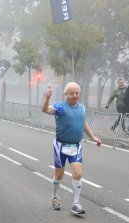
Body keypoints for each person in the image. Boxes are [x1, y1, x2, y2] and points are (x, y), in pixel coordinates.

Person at [42, 82, 101, 215]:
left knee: (78, 174)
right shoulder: (60, 107)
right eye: (72, 93)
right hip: (60, 146)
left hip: (75, 146)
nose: (75, 96)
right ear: (65, 94)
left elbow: (83, 122)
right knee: (59, 174)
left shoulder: (82, 108)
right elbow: (46, 110)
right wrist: (47, 99)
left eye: (77, 93)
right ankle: (55, 197)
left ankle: (75, 204)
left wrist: (93, 137)